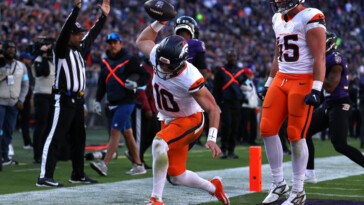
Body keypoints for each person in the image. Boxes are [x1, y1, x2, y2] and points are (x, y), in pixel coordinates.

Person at [136, 20, 229, 205]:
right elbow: (142, 41)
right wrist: (159, 22)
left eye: (169, 66)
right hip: (169, 119)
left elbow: (212, 107)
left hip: (190, 119)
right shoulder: (159, 56)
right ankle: (214, 188)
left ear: (180, 63)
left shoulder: (190, 77)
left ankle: (156, 199)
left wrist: (211, 137)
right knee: (177, 176)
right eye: (161, 64)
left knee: (158, 143)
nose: (163, 69)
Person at [258, 0, 326, 204]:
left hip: (302, 79)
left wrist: (316, 88)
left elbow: (319, 56)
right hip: (281, 78)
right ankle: (279, 183)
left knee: (295, 134)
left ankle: (298, 191)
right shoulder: (276, 18)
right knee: (267, 128)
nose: (278, 1)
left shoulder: (311, 16)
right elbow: (278, 53)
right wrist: (269, 81)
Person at [36, 0, 110, 187]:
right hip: (63, 98)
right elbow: (64, 33)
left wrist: (103, 17)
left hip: (78, 99)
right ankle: (44, 177)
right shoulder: (61, 50)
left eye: (80, 34)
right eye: (76, 34)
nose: (80, 37)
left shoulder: (79, 50)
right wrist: (76, 10)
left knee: (80, 138)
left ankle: (78, 174)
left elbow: (92, 35)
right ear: (68, 35)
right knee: (55, 136)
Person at [305, 31, 364, 184]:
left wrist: (315, 73)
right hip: (329, 104)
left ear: (328, 43)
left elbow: (330, 86)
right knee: (304, 131)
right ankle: (310, 174)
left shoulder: (334, 59)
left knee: (340, 145)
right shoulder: (324, 58)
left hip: (340, 104)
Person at [90, 33, 150, 176]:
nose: (112, 45)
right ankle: (139, 165)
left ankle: (104, 164)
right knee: (128, 134)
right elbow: (101, 84)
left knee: (114, 133)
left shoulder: (130, 60)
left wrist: (136, 83)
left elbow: (145, 75)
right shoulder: (104, 62)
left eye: (115, 42)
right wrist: (98, 100)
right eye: (110, 42)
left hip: (126, 101)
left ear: (120, 43)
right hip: (112, 101)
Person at [174, 16, 208, 146]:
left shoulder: (164, 44)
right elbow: (202, 74)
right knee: (191, 133)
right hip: (188, 94)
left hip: (167, 93)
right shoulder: (196, 44)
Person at [0, 40, 29, 166]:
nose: (11, 51)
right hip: (0, 102)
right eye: (9, 49)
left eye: (13, 49)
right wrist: (4, 69)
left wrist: (21, 99)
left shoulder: (21, 66)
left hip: (13, 104)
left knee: (8, 131)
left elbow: (25, 84)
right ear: (4, 50)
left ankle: (5, 156)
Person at [213, 50, 246, 159]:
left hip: (237, 102)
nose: (232, 58)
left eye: (234, 56)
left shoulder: (241, 72)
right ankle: (223, 150)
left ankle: (231, 150)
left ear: (237, 59)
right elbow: (216, 88)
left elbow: (245, 87)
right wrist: (216, 103)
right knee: (227, 126)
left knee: (235, 127)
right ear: (227, 58)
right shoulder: (221, 71)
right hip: (225, 102)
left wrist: (243, 99)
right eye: (230, 56)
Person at [31, 38, 55, 164]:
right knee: (41, 125)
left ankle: (47, 152)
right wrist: (43, 55)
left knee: (50, 125)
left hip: (51, 96)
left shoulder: (52, 62)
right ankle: (38, 154)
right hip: (41, 95)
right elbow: (44, 73)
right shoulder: (38, 60)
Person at [18, 52, 35, 149]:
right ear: (23, 59)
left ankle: (27, 142)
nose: (30, 60)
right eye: (28, 59)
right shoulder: (20, 68)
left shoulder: (27, 68)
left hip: (26, 97)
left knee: (25, 121)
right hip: (18, 97)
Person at [239, 68, 258, 145]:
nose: (251, 75)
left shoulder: (250, 82)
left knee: (253, 124)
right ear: (246, 75)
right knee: (244, 124)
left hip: (252, 106)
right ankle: (244, 139)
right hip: (245, 106)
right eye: (250, 74)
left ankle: (252, 140)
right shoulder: (244, 82)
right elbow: (246, 91)